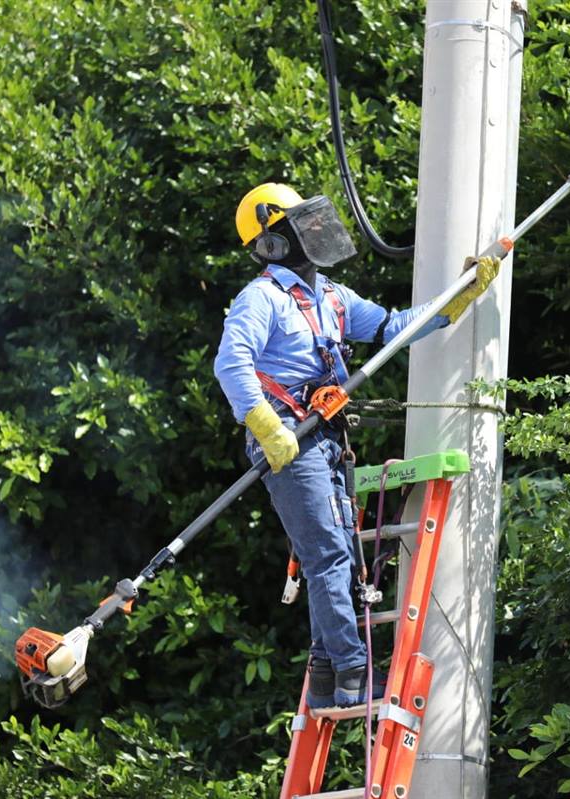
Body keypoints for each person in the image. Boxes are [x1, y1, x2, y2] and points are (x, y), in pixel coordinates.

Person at [213, 182, 499, 707]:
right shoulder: (262, 299)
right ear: (273, 242)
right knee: (328, 557)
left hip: (322, 439)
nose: (316, 232)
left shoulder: (331, 297)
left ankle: (329, 675)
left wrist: (456, 298)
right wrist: (266, 428)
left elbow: (393, 328)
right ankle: (353, 672)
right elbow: (231, 365)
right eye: (301, 224)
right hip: (288, 441)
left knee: (341, 550)